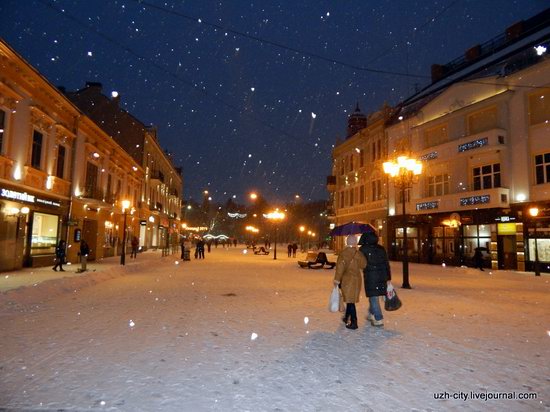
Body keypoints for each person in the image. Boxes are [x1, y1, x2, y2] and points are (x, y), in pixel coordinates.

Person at [333, 235, 367, 330]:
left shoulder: (343, 254)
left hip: (347, 280)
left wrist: (337, 280)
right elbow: (364, 265)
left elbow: (340, 269)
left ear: (347, 242)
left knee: (350, 301)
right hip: (356, 280)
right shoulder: (358, 254)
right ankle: (346, 317)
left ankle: (354, 322)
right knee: (350, 300)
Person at [359, 231, 391, 327]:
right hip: (382, 275)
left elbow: (361, 264)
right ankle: (370, 313)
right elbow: (386, 263)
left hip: (370, 276)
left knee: (373, 296)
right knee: (374, 295)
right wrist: (388, 277)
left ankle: (378, 318)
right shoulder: (381, 248)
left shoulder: (363, 249)